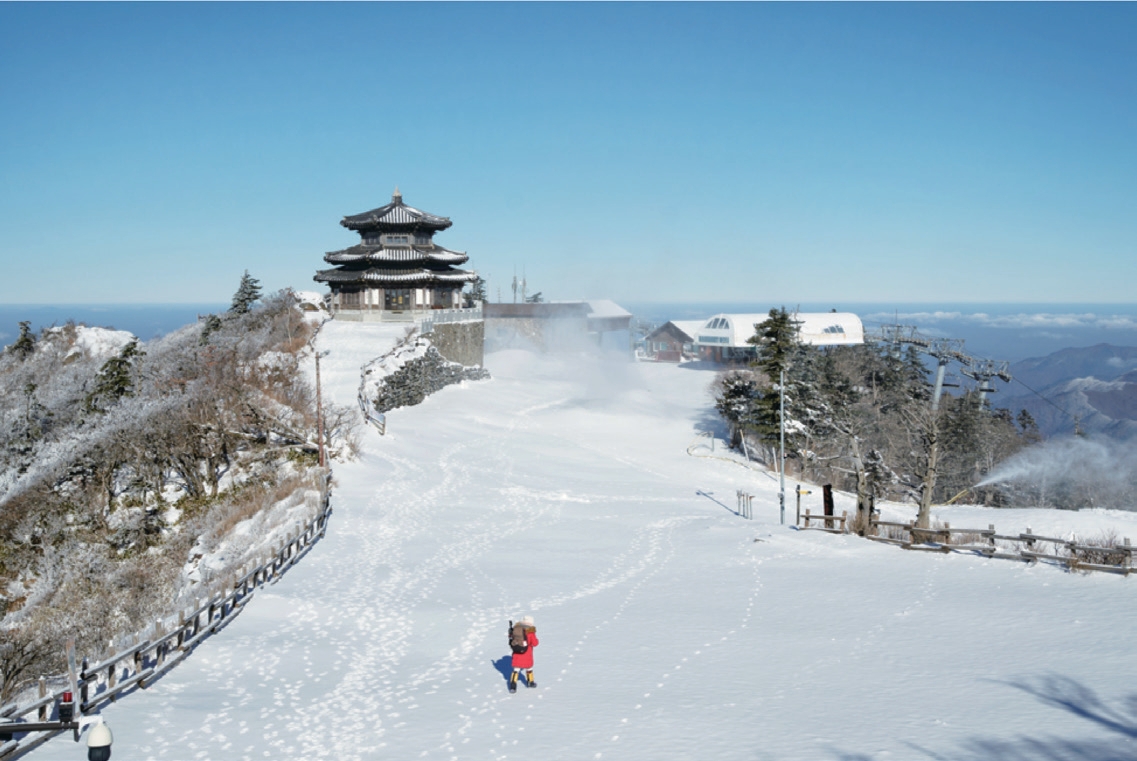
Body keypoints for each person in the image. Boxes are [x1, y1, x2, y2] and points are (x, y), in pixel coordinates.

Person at [510, 615, 539, 691]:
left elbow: (511, 638)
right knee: (529, 668)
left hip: (517, 652)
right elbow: (535, 643)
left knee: (516, 669)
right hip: (526, 653)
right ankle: (530, 682)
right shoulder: (530, 632)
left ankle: (513, 685)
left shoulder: (516, 629)